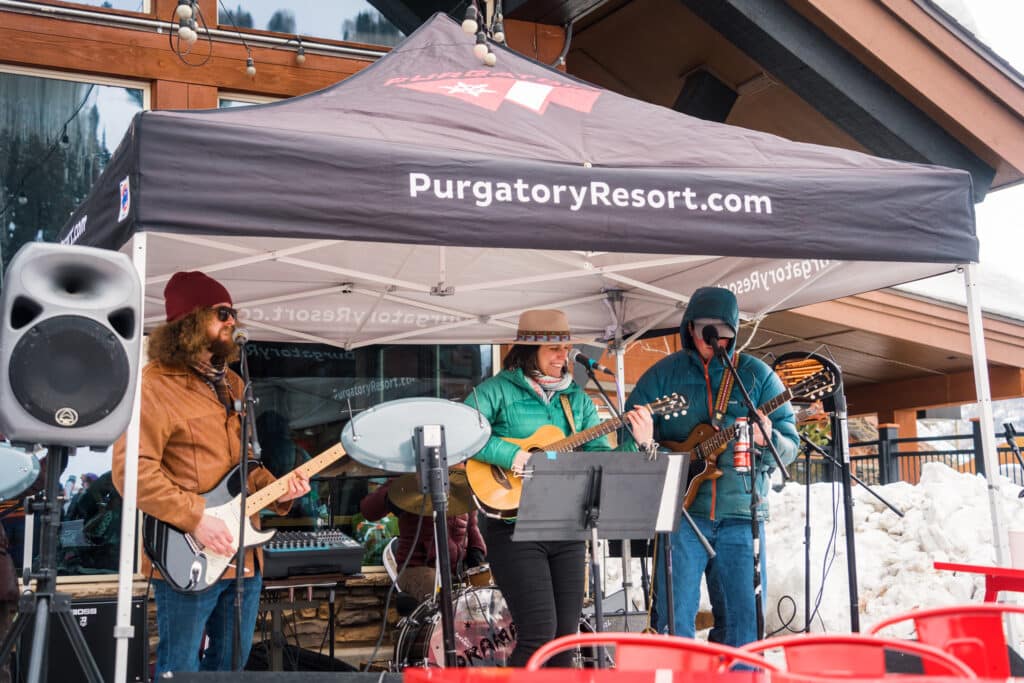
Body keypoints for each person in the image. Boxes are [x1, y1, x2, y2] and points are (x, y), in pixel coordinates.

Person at [113, 271, 310, 676]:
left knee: (230, 668)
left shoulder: (236, 386)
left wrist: (280, 491)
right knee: (180, 669)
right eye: (222, 313)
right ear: (190, 320)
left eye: (233, 313)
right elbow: (131, 471)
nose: (232, 321)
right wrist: (195, 518)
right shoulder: (154, 386)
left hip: (245, 558)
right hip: (189, 554)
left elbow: (246, 467)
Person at [465, 309, 653, 667]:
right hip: (512, 526)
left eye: (566, 349)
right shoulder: (497, 391)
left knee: (566, 638)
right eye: (554, 350)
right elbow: (463, 433)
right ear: (528, 350)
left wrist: (637, 444)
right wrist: (512, 455)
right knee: (538, 632)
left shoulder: (577, 401)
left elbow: (600, 463)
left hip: (565, 526)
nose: (562, 357)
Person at [624, 286, 798, 646]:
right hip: (682, 517)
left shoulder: (757, 376)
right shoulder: (661, 377)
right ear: (690, 327)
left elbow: (789, 446)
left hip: (742, 515)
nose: (713, 337)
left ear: (734, 330)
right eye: (705, 327)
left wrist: (768, 440)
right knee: (674, 622)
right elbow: (627, 444)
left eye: (723, 329)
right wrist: (645, 445)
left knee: (744, 626)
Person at [359, 475, 486, 600]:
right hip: (416, 569)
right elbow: (368, 510)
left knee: (490, 591)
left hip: (456, 570)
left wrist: (477, 554)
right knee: (441, 591)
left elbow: (472, 527)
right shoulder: (409, 477)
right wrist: (390, 497)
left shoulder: (460, 483)